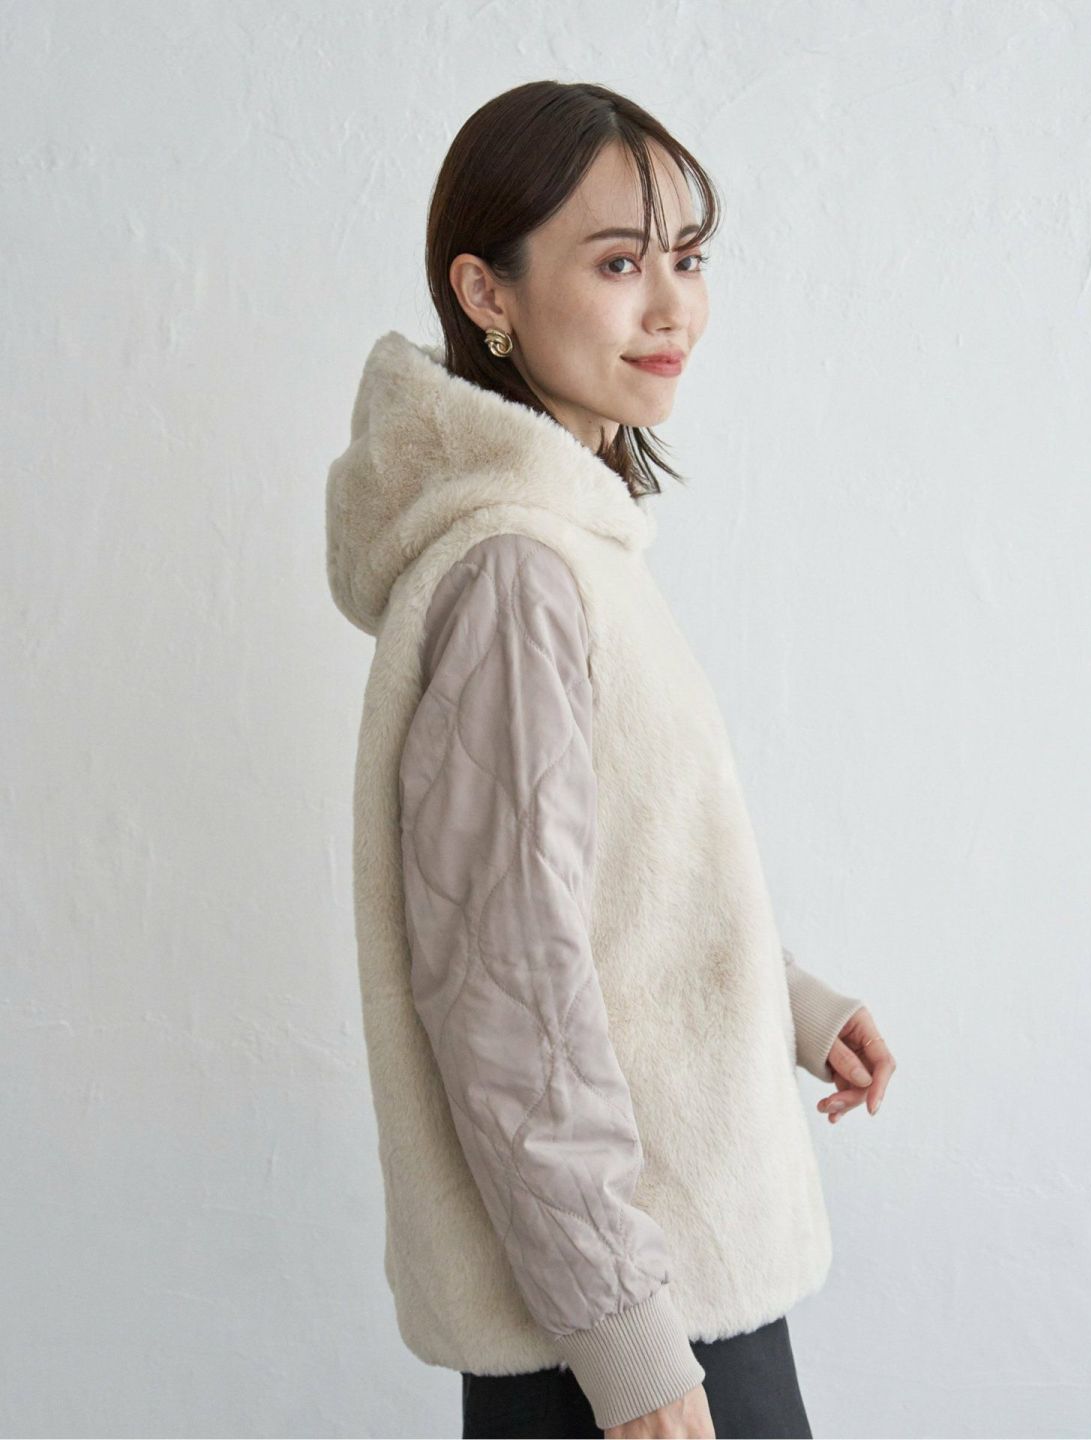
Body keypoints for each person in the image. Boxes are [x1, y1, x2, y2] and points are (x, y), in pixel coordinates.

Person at [324, 80, 896, 1440]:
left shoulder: (568, 548)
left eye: (687, 258)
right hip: (625, 1321)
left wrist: (786, 1001)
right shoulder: (516, 574)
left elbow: (601, 884)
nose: (673, 307)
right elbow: (504, 996)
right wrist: (632, 1352)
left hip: (649, 1290)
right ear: (487, 292)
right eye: (620, 263)